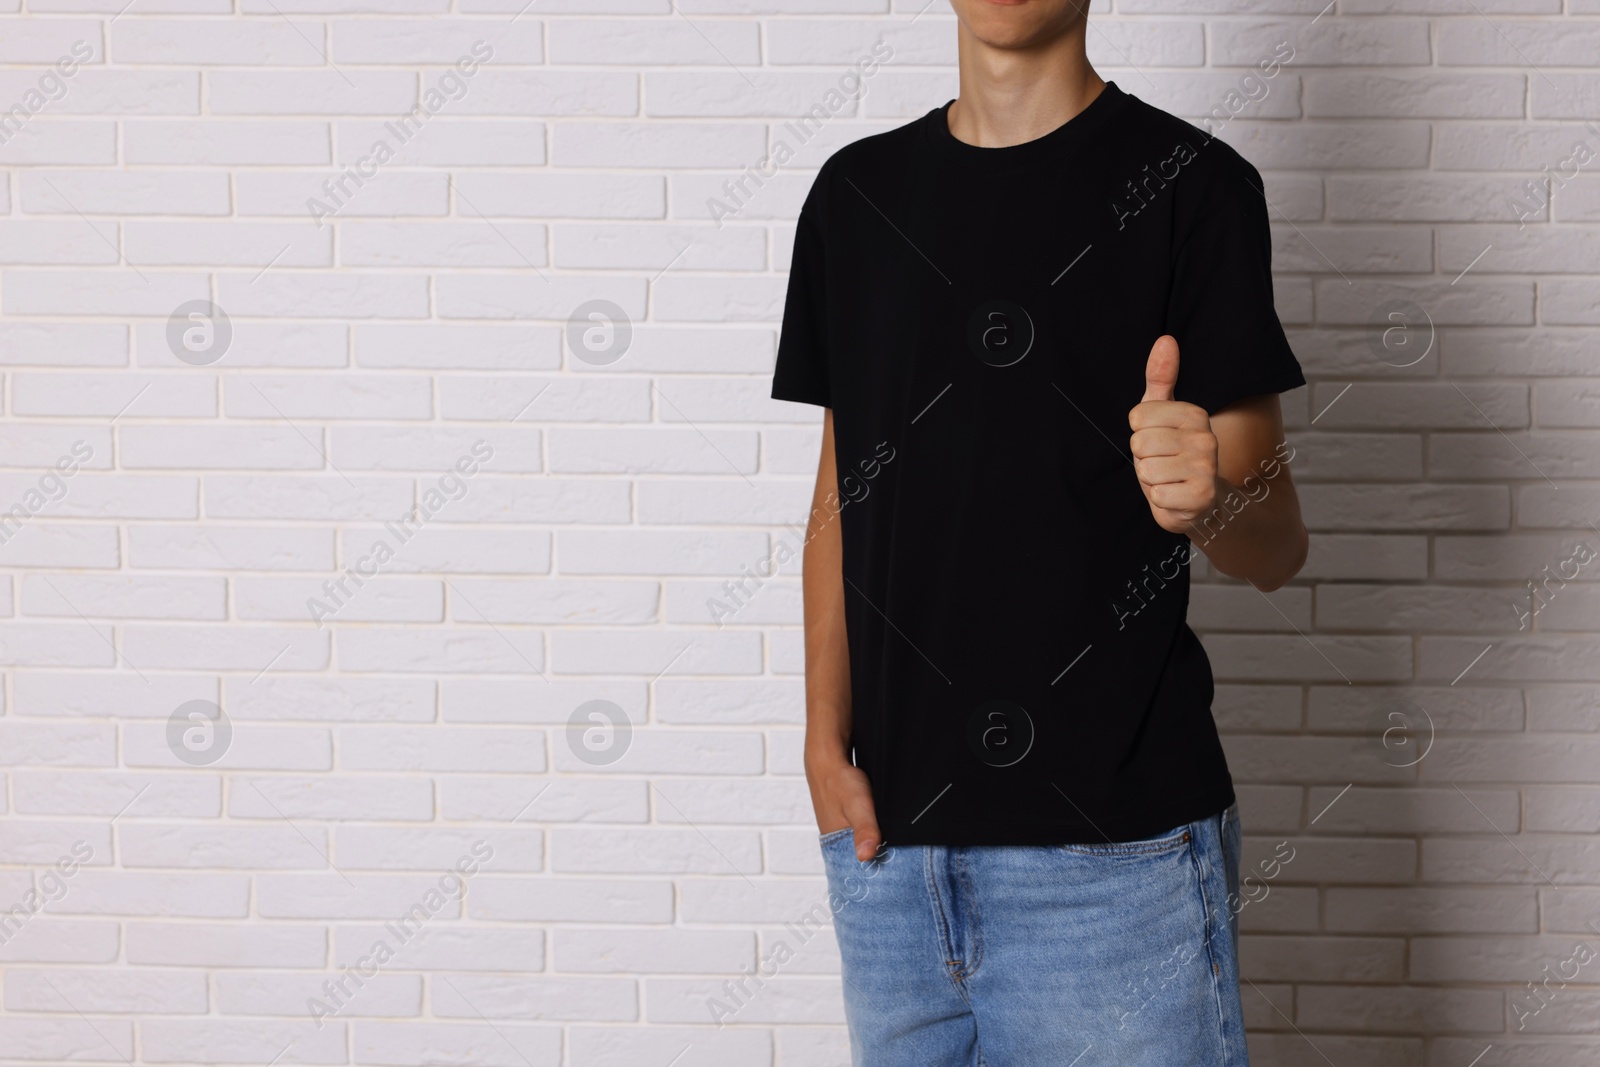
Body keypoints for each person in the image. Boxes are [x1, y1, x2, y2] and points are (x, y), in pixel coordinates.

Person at [768, 1, 1310, 1064]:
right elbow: (842, 489)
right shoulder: (854, 196)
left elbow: (1277, 545)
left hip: (1112, 867)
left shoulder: (1194, 187)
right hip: (892, 863)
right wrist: (822, 744)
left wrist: (1212, 501)